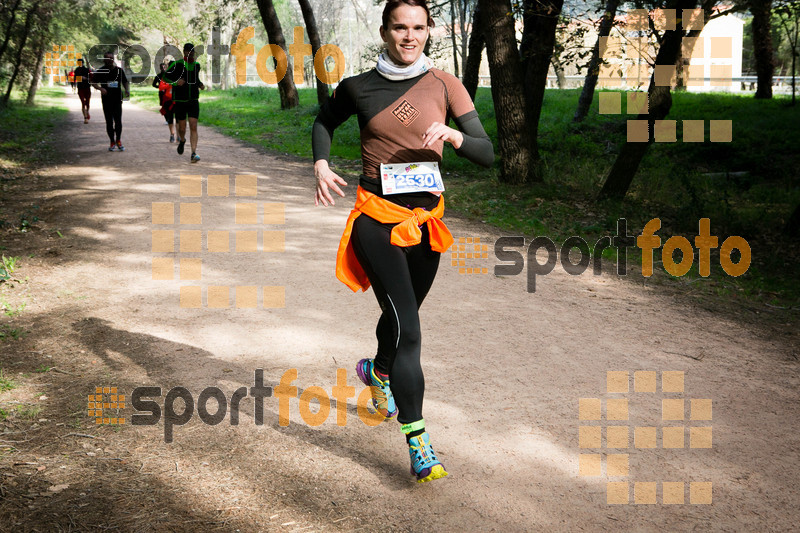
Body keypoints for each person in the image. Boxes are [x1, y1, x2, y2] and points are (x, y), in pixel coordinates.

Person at [312, 0, 493, 483]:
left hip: (425, 221)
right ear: (384, 30)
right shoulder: (358, 87)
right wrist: (321, 163)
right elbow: (323, 122)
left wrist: (455, 138)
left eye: (417, 27)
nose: (408, 36)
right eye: (399, 27)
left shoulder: (445, 85)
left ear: (429, 31)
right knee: (409, 326)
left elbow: (488, 154)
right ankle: (418, 443)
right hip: (378, 219)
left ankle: (377, 369)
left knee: (402, 314)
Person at [163, 43, 205, 162]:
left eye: (192, 51)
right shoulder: (176, 64)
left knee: (193, 126)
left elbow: (195, 79)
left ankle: (193, 153)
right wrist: (176, 82)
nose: (190, 53)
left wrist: (200, 84)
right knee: (182, 128)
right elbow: (165, 77)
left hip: (193, 100)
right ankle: (182, 140)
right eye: (188, 51)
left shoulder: (197, 65)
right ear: (184, 51)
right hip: (180, 101)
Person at [91, 51, 130, 151]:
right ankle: (112, 141)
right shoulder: (100, 71)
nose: (109, 60)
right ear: (104, 60)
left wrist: (126, 90)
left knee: (118, 122)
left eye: (111, 58)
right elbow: (93, 82)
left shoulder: (119, 70)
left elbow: (125, 81)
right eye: (107, 58)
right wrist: (100, 88)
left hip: (117, 99)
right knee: (109, 122)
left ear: (113, 59)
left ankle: (119, 140)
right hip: (106, 99)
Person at [152, 62, 176, 142]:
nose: (163, 68)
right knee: (166, 110)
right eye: (162, 67)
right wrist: (161, 87)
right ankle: (172, 132)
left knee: (178, 118)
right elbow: (155, 85)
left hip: (176, 98)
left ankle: (179, 136)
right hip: (165, 96)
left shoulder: (177, 76)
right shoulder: (159, 76)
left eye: (164, 67)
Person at [74, 58, 92, 124]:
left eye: (80, 62)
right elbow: (75, 78)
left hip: (87, 88)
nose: (79, 64)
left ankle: (87, 112)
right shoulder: (77, 70)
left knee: (87, 103)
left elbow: (91, 78)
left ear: (83, 63)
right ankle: (85, 118)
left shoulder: (87, 70)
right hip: (80, 88)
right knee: (83, 103)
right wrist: (81, 78)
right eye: (78, 63)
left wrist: (86, 78)